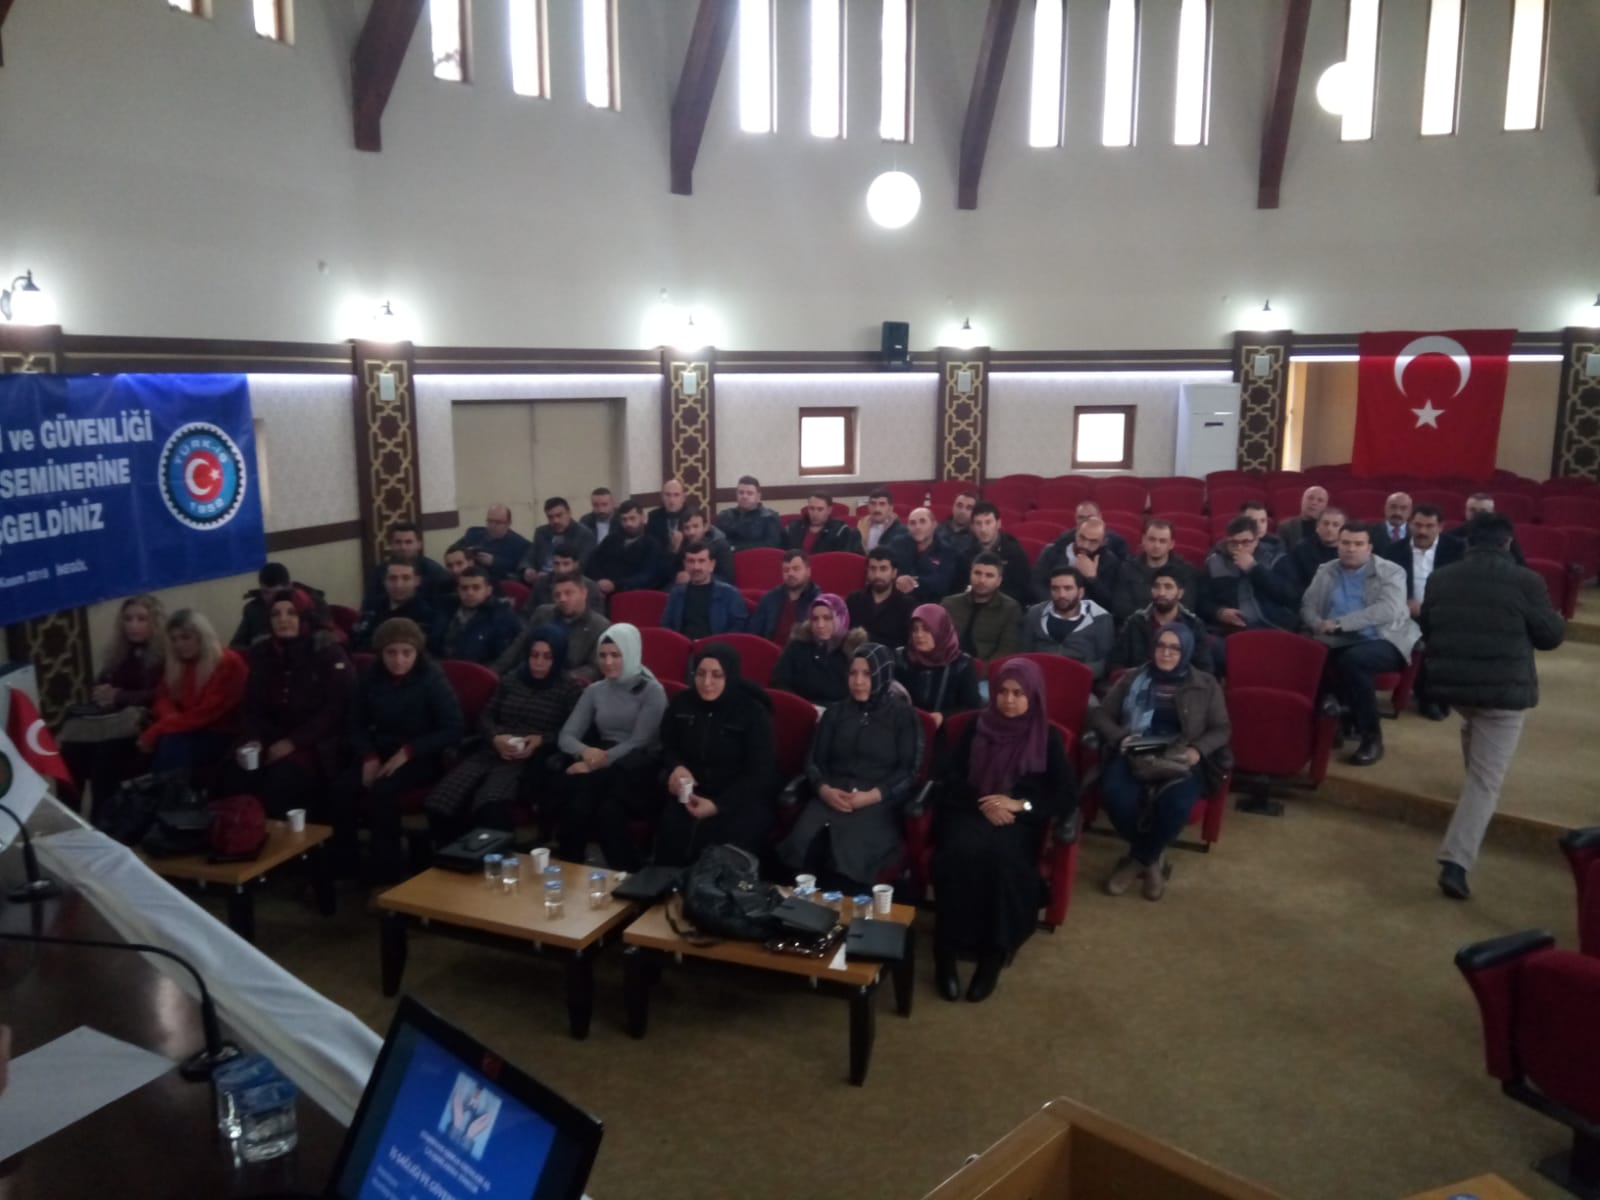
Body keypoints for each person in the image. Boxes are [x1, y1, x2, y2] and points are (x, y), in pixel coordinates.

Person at [1421, 512, 1565, 900]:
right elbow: (1549, 637)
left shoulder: (1441, 577)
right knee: (1486, 782)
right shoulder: (1526, 581)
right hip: (1503, 692)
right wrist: (1556, 618)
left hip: (1452, 687)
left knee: (1474, 729)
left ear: (1468, 542)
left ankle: (1470, 804)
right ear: (1508, 543)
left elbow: (1428, 627)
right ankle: (1456, 862)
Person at [931, 658, 1075, 1002]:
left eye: (1019, 693)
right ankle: (945, 952)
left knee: (1002, 861)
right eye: (1003, 692)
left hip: (1018, 822)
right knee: (957, 854)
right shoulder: (976, 726)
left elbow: (1065, 796)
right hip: (970, 810)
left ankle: (992, 955)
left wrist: (1020, 805)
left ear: (1033, 696)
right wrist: (985, 802)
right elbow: (948, 778)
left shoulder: (1048, 737)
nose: (1009, 700)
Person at [1090, 625, 1231, 901]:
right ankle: (1153, 858)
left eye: (1175, 648)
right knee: (1116, 796)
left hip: (1182, 752)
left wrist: (1198, 750)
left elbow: (1221, 729)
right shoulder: (1132, 678)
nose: (1166, 653)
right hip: (1137, 749)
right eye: (1161, 646)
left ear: (1186, 651)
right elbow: (1101, 715)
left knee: (1177, 804)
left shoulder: (1205, 684)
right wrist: (1121, 738)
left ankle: (1139, 860)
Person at [779, 644, 924, 893]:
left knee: (848, 865)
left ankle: (846, 913)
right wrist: (824, 790)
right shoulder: (835, 713)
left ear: (882, 675)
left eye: (867, 674)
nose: (858, 682)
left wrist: (872, 796)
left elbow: (908, 772)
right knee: (804, 854)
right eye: (853, 673)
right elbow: (814, 761)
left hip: (878, 802)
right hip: (831, 796)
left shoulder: (903, 716)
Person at [425, 625, 583, 846]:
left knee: (490, 808)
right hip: (492, 750)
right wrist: (495, 738)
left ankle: (492, 862)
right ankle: (456, 859)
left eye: (547, 657)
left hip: (527, 761)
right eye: (534, 655)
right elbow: (485, 716)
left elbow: (573, 733)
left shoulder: (569, 688)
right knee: (440, 803)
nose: (538, 662)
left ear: (558, 658)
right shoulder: (512, 679)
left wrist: (542, 739)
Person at [332, 618, 464, 883]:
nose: (399, 660)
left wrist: (409, 751)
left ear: (417, 652)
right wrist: (368, 755)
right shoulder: (370, 676)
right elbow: (355, 722)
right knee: (341, 789)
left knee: (382, 792)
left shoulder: (431, 677)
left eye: (407, 652)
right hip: (380, 748)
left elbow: (453, 728)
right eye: (391, 652)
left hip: (422, 754)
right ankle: (346, 866)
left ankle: (387, 876)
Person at [226, 588, 352, 819]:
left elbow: (335, 709)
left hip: (314, 743)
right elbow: (252, 707)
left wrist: (293, 742)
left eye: (291, 613)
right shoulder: (262, 654)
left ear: (304, 617)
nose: (283, 620)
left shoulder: (327, 652)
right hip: (270, 737)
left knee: (279, 784)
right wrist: (253, 739)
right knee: (235, 775)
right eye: (276, 614)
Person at [1300, 523, 1418, 766]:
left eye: (1358, 544)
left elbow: (1388, 610)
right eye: (1345, 543)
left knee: (1353, 660)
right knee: (1309, 656)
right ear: (1338, 545)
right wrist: (1317, 624)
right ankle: (1327, 725)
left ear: (1369, 548)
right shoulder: (1327, 570)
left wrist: (1341, 624)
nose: (1351, 549)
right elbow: (1308, 605)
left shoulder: (1391, 571)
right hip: (1335, 638)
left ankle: (1371, 736)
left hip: (1384, 638)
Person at [654, 641, 780, 867]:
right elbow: (667, 746)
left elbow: (760, 773)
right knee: (671, 841)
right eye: (700, 674)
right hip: (692, 794)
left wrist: (718, 805)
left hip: (738, 799)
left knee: (718, 857)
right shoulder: (682, 703)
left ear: (730, 676)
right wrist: (676, 767)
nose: (707, 683)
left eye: (716, 675)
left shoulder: (752, 711)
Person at [554, 624, 668, 870]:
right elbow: (566, 736)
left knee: (589, 797)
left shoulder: (652, 691)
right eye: (603, 655)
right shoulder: (595, 690)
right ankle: (572, 868)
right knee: (585, 801)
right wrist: (584, 752)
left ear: (631, 653)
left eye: (616, 655)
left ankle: (580, 862)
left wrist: (592, 765)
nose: (608, 662)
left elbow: (640, 741)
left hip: (638, 765)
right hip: (601, 758)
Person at [60, 594, 166, 815]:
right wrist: (101, 693)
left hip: (142, 723)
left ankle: (102, 820)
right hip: (110, 720)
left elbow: (162, 693)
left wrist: (120, 696)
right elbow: (103, 681)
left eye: (141, 619)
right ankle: (69, 816)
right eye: (128, 619)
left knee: (104, 757)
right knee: (70, 750)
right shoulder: (119, 651)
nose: (133, 625)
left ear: (155, 622)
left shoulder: (165, 653)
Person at [137, 609, 248, 775]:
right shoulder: (178, 663)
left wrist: (160, 728)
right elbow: (162, 697)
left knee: (171, 742)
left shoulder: (228, 662)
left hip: (224, 732)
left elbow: (206, 713)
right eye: (174, 639)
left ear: (202, 637)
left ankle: (164, 790)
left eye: (186, 637)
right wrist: (169, 718)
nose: (179, 645)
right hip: (189, 727)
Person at [1382, 503, 1462, 720]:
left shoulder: (1456, 549)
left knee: (1443, 639)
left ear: (1440, 527)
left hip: (1444, 611)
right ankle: (1428, 698)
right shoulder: (1393, 551)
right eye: (1417, 525)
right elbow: (1384, 585)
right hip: (1406, 614)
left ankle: (1439, 695)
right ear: (1410, 524)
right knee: (1419, 640)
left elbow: (1462, 585)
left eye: (1429, 526)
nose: (1422, 531)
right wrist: (1404, 601)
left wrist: (1434, 605)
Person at [497, 573, 610, 682]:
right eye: (557, 595)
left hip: (568, 685)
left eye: (568, 593)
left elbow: (594, 668)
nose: (562, 599)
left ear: (584, 593)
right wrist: (496, 670)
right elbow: (518, 646)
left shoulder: (601, 626)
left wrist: (562, 679)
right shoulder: (542, 613)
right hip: (529, 675)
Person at [1199, 515, 1300, 634]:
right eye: (1233, 542)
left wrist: (1254, 568)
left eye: (1245, 542)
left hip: (1273, 625)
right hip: (1231, 629)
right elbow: (1202, 601)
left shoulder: (1276, 558)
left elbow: (1290, 595)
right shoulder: (1214, 562)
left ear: (1256, 541)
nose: (1239, 547)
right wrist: (1219, 612)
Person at [1111, 569, 1214, 675]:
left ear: (1180, 593)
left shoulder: (1193, 625)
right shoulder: (1135, 622)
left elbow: (1205, 669)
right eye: (1156, 586)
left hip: (1183, 683)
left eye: (1168, 587)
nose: (1161, 593)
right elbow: (1116, 664)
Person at [1021, 566, 1114, 681]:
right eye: (1055, 589)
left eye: (1068, 588)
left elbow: (1104, 662)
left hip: (1079, 680)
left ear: (1080, 592)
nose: (1061, 595)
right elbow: (1024, 653)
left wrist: (1073, 673)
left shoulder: (1100, 618)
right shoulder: (1035, 614)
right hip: (1038, 679)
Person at [771, 594, 865, 705]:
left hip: (838, 713)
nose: (820, 625)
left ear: (841, 618)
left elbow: (859, 695)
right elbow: (780, 683)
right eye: (815, 619)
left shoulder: (854, 652)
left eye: (827, 618)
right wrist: (801, 706)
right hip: (798, 709)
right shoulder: (797, 646)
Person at [894, 604, 981, 723]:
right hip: (904, 725)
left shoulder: (962, 663)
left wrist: (943, 716)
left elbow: (972, 707)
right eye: (915, 629)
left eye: (927, 629)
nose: (919, 635)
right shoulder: (902, 657)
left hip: (944, 729)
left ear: (941, 630)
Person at [1032, 517, 1126, 615]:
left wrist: (1092, 578)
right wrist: (1056, 605)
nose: (1085, 545)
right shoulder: (1052, 551)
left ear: (1103, 542)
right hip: (1049, 609)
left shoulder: (1110, 562)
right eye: (1082, 538)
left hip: (1087, 616)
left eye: (1093, 542)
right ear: (1076, 533)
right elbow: (1037, 583)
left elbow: (1108, 603)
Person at [351, 558, 445, 655]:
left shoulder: (428, 616)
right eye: (392, 578)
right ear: (384, 581)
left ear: (417, 581)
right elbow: (356, 641)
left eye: (406, 578)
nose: (398, 585)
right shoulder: (372, 607)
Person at [229, 562, 328, 649]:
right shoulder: (253, 609)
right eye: (266, 593)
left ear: (289, 587)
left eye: (277, 593)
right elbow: (236, 647)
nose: (271, 598)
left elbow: (326, 638)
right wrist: (260, 647)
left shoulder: (312, 603)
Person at [942, 554, 1022, 662]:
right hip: (946, 664)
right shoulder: (950, 603)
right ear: (970, 574)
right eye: (977, 573)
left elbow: (1006, 650)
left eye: (989, 576)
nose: (982, 580)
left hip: (985, 668)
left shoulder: (1010, 609)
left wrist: (981, 670)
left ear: (999, 581)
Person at [661, 541, 748, 638]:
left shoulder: (730, 594)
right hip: (683, 645)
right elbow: (666, 625)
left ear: (712, 565)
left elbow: (738, 627)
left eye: (701, 561)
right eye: (691, 561)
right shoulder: (676, 594)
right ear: (685, 564)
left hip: (716, 645)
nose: (696, 567)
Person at [439, 567, 523, 666]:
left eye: (476, 588)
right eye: (464, 588)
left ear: (488, 590)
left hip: (479, 670)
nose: (470, 593)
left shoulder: (502, 616)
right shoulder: (446, 607)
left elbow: (504, 658)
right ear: (458, 590)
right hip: (440, 666)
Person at [361, 521, 450, 610]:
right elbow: (369, 606)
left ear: (419, 545)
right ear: (390, 545)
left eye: (408, 542)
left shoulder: (435, 572)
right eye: (398, 542)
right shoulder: (380, 572)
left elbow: (443, 609)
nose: (403, 547)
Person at [588, 501, 665, 597]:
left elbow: (647, 576)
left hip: (632, 594)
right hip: (601, 590)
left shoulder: (652, 545)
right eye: (624, 519)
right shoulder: (611, 539)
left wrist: (615, 585)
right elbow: (593, 562)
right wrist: (600, 580)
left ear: (643, 519)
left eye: (632, 518)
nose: (628, 523)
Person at [961, 503, 1033, 605]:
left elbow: (1023, 589)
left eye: (988, 522)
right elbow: (959, 586)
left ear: (998, 524)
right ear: (972, 526)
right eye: (978, 523)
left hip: (1004, 606)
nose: (983, 529)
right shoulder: (965, 552)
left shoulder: (1014, 551)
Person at [847, 548, 917, 648]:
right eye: (873, 568)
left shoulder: (907, 605)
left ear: (894, 573)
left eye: (883, 569)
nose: (877, 575)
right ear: (867, 570)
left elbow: (907, 644)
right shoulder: (854, 600)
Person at [522, 497, 597, 586]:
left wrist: (549, 576)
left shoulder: (584, 534)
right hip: (540, 582)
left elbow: (581, 565)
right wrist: (528, 568)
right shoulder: (541, 532)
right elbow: (531, 555)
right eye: (550, 517)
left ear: (569, 513)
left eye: (559, 515)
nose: (555, 521)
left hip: (572, 582)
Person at [750, 550, 819, 643]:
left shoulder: (818, 601)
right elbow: (754, 635)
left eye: (796, 569)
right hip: (769, 649)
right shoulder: (768, 599)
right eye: (786, 570)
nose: (790, 573)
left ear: (808, 571)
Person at [449, 504, 530, 583]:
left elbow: (519, 569)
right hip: (467, 579)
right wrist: (467, 553)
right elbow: (453, 550)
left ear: (508, 524)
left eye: (498, 522)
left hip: (497, 583)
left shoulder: (520, 544)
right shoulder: (474, 533)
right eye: (490, 521)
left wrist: (494, 561)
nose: (492, 526)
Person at [1443, 494, 1528, 565]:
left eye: (1483, 511)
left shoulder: (1504, 536)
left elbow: (1520, 564)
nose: (1477, 514)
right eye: (1472, 510)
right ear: (1465, 511)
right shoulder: (1451, 536)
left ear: (1492, 512)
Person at [896, 507, 957, 603]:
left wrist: (915, 582)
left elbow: (942, 583)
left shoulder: (947, 551)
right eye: (912, 523)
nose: (917, 527)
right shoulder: (897, 545)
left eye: (922, 521)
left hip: (932, 603)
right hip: (899, 602)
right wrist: (897, 580)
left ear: (934, 525)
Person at [661, 506, 734, 586]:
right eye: (686, 528)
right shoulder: (681, 543)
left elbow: (726, 579)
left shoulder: (720, 544)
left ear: (705, 527)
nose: (691, 532)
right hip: (683, 588)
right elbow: (666, 577)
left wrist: (694, 576)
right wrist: (674, 550)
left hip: (712, 589)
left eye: (695, 526)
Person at [523, 542, 604, 612]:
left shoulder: (591, 587)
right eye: (556, 564)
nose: (561, 569)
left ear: (576, 564)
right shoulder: (542, 583)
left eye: (566, 564)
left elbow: (596, 618)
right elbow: (527, 613)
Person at [1286, 507, 1347, 590]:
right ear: (1317, 526)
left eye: (1335, 525)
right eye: (1325, 524)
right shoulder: (1302, 550)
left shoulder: (1350, 552)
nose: (1329, 529)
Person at [715, 475, 782, 550]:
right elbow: (717, 543)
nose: (744, 496)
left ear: (758, 497)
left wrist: (735, 547)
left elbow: (771, 546)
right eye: (741, 493)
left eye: (750, 493)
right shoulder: (725, 516)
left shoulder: (770, 517)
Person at [783, 492, 863, 554]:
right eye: (811, 508)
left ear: (829, 510)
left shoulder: (841, 531)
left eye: (820, 509)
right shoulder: (793, 527)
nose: (815, 513)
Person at [856, 489, 910, 558]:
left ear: (890, 508)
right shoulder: (859, 529)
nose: (877, 509)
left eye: (882, 504)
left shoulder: (901, 532)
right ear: (868, 507)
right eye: (873, 504)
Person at [1275, 486, 1329, 551]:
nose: (1314, 503)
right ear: (1302, 501)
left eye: (1320, 500)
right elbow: (1281, 553)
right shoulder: (1286, 527)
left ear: (1325, 506)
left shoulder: (1330, 527)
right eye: (1310, 498)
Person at [1237, 501, 1287, 569]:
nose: (1259, 526)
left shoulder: (1277, 545)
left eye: (1263, 521)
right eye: (1253, 521)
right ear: (1241, 522)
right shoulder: (1230, 546)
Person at [646, 477, 691, 551]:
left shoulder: (692, 516)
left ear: (684, 498)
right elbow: (650, 548)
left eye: (676, 495)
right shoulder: (653, 517)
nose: (671, 500)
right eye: (668, 495)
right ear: (662, 496)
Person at [936, 491, 979, 559]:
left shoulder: (976, 538)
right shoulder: (937, 530)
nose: (962, 511)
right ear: (953, 507)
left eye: (969, 508)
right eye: (959, 506)